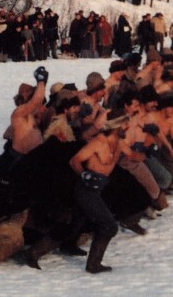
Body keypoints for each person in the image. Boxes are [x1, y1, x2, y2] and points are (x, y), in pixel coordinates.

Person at [68, 112, 130, 273]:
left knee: (74, 223)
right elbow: (74, 160)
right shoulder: (98, 142)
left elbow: (133, 155)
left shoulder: (119, 142)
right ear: (116, 126)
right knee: (109, 226)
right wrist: (84, 175)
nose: (128, 127)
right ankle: (93, 264)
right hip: (86, 189)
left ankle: (33, 253)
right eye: (125, 124)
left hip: (99, 189)